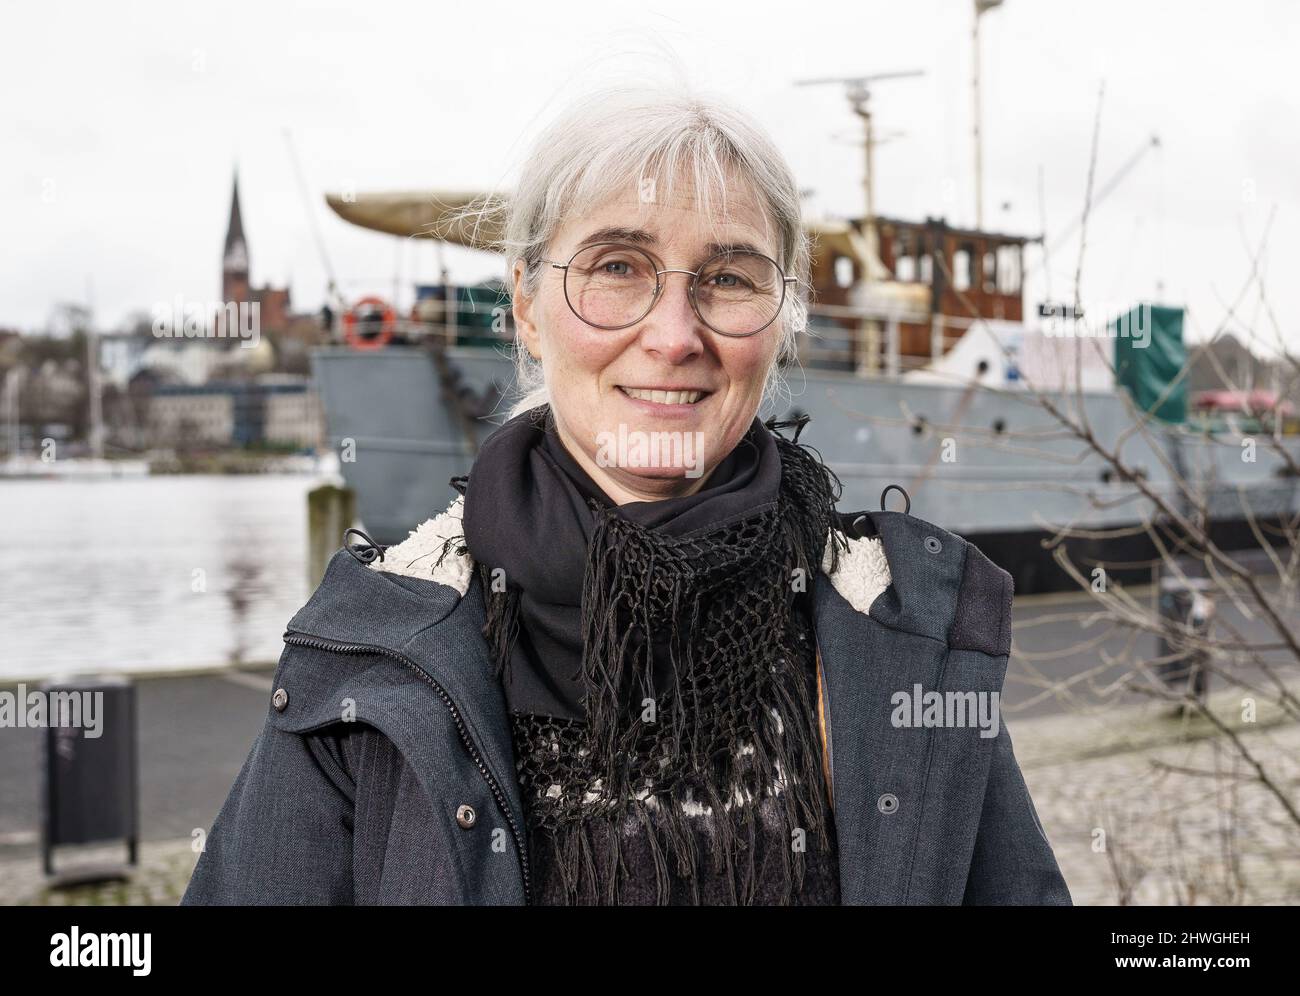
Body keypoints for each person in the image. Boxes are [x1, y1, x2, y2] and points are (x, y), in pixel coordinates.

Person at [181, 83, 1071, 906]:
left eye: (728, 277)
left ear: (784, 317)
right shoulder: (368, 659)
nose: (674, 335)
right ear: (526, 306)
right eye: (615, 266)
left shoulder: (905, 628)